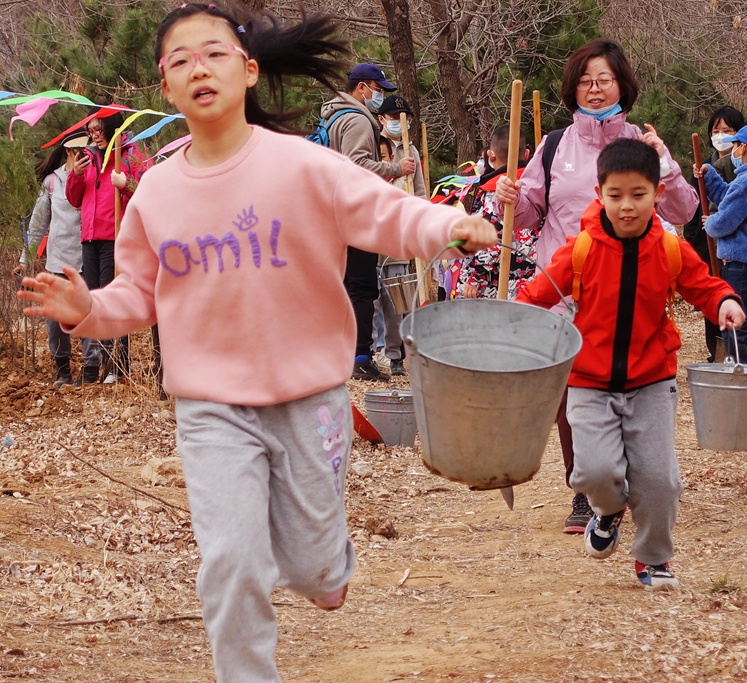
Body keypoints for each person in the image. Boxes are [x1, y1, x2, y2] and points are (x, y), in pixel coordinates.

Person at [17, 4, 495, 680]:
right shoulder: (155, 194)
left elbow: (384, 212)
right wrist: (88, 308)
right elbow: (139, 295)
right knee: (232, 560)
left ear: (247, 70)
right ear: (166, 87)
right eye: (181, 61)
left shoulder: (302, 165)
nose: (199, 69)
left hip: (309, 396)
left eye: (214, 54)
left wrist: (447, 226)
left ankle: (327, 565)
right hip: (210, 407)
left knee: (312, 568)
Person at [516, 138, 743, 590]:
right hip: (588, 382)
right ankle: (608, 509)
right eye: (615, 195)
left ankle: (653, 559)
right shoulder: (581, 249)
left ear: (657, 193)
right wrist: (512, 327)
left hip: (651, 381)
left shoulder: (669, 248)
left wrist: (725, 302)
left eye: (638, 194)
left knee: (659, 481)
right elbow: (535, 295)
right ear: (598, 194)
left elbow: (704, 285)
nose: (626, 206)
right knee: (593, 472)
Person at [494, 38, 700, 533]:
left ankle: (634, 477)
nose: (594, 89)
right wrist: (509, 195)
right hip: (565, 286)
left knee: (633, 386)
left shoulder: (642, 144)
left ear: (621, 85)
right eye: (585, 81)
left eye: (603, 79)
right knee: (573, 392)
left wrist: (666, 165)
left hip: (630, 288)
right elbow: (529, 215)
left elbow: (683, 210)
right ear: (573, 88)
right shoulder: (554, 146)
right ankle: (587, 492)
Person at [321, 62, 415, 381]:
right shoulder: (358, 120)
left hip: (331, 212)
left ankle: (341, 353)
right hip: (353, 213)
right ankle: (360, 356)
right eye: (377, 89)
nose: (379, 96)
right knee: (363, 288)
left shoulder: (332, 116)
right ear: (361, 87)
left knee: (344, 286)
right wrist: (395, 169)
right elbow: (358, 164)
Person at [66, 111, 147, 384]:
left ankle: (119, 365)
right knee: (95, 299)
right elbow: (75, 200)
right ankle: (103, 362)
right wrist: (76, 175)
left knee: (113, 297)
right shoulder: (88, 157)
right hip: (89, 237)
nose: (94, 135)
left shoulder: (130, 153)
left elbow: (147, 191)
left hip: (116, 236)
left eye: (99, 129)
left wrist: (125, 186)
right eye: (90, 130)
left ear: (112, 127)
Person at [693, 123, 747, 364]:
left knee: (738, 324)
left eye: (736, 144)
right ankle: (743, 371)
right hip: (745, 261)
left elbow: (726, 220)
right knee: (739, 321)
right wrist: (709, 175)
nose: (733, 150)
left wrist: (710, 222)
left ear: (743, 148)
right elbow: (728, 198)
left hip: (742, 262)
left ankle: (746, 373)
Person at [14, 132, 87, 387]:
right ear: (69, 151)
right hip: (57, 260)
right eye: (80, 150)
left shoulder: (94, 176)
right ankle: (62, 369)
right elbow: (38, 222)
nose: (86, 155)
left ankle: (91, 368)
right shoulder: (52, 182)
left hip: (87, 259)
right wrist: (25, 258)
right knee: (56, 320)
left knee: (87, 315)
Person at [683, 106, 744, 362]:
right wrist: (694, 238)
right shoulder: (702, 167)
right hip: (706, 244)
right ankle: (715, 350)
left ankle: (739, 350)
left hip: (737, 246)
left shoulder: (745, 168)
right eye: (716, 131)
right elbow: (692, 209)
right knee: (712, 295)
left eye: (727, 131)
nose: (721, 136)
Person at [375, 94, 426, 376]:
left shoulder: (411, 151)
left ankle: (401, 353)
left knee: (403, 296)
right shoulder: (374, 145)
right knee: (379, 298)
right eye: (393, 118)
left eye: (402, 118)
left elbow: (419, 190)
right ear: (382, 119)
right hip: (377, 230)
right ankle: (382, 351)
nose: (398, 123)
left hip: (402, 233)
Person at [456, 123, 535, 300]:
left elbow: (491, 238)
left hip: (501, 284)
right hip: (535, 282)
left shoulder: (498, 190)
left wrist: (474, 277)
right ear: (526, 154)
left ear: (490, 155)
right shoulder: (539, 185)